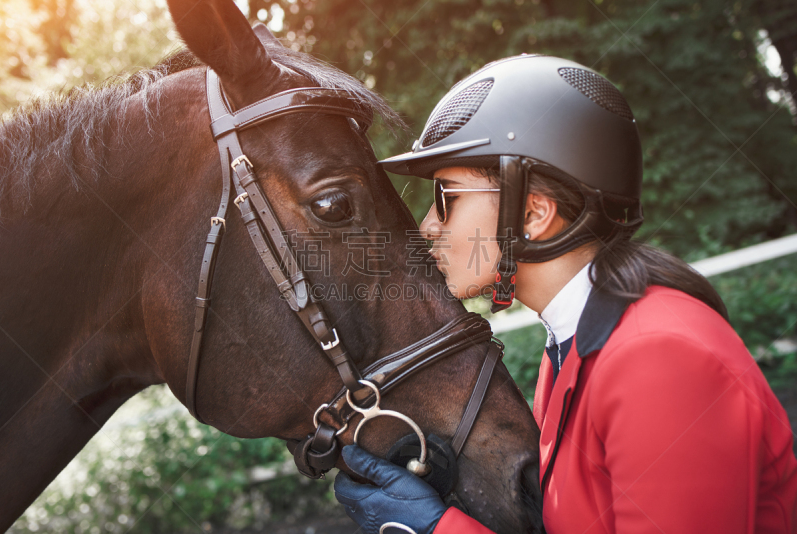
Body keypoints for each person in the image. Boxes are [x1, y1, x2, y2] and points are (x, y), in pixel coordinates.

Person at [333, 54, 797, 534]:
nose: (428, 226)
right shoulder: (569, 352)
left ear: (533, 213)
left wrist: (437, 530)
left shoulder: (660, 358)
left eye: (446, 197)